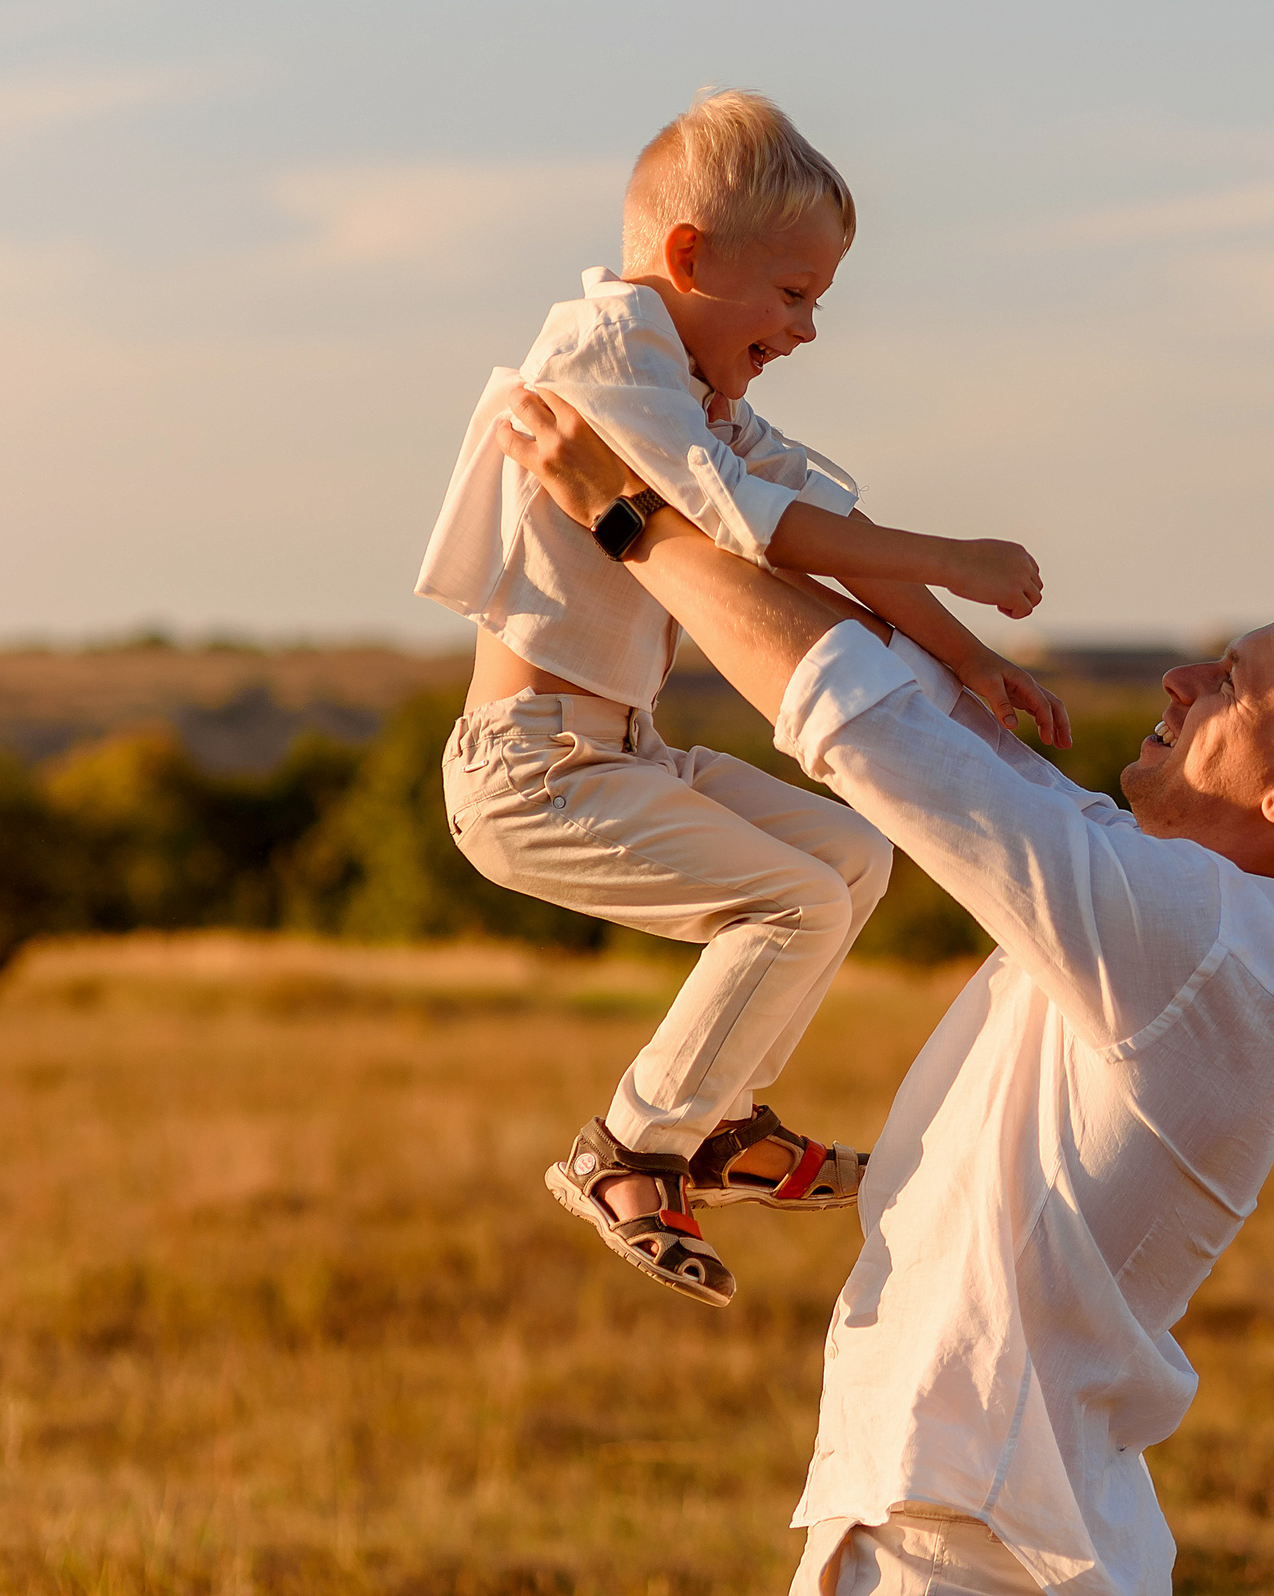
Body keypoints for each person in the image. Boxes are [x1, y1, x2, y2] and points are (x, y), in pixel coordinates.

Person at [492, 385, 1274, 1596]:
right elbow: (940, 722)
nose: (1176, 679)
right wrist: (726, 483)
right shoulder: (1183, 910)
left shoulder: (1199, 940)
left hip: (971, 1553)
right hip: (955, 1526)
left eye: (1228, 686)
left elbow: (877, 735)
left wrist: (627, 517)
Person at [414, 91, 1070, 1308]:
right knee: (790, 903)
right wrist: (955, 556)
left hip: (625, 750)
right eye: (793, 294)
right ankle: (633, 1146)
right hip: (530, 771)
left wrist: (964, 651)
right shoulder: (602, 358)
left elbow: (822, 526)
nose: (808, 327)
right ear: (688, 259)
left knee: (850, 857)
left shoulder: (691, 388)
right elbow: (741, 523)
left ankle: (719, 1126)